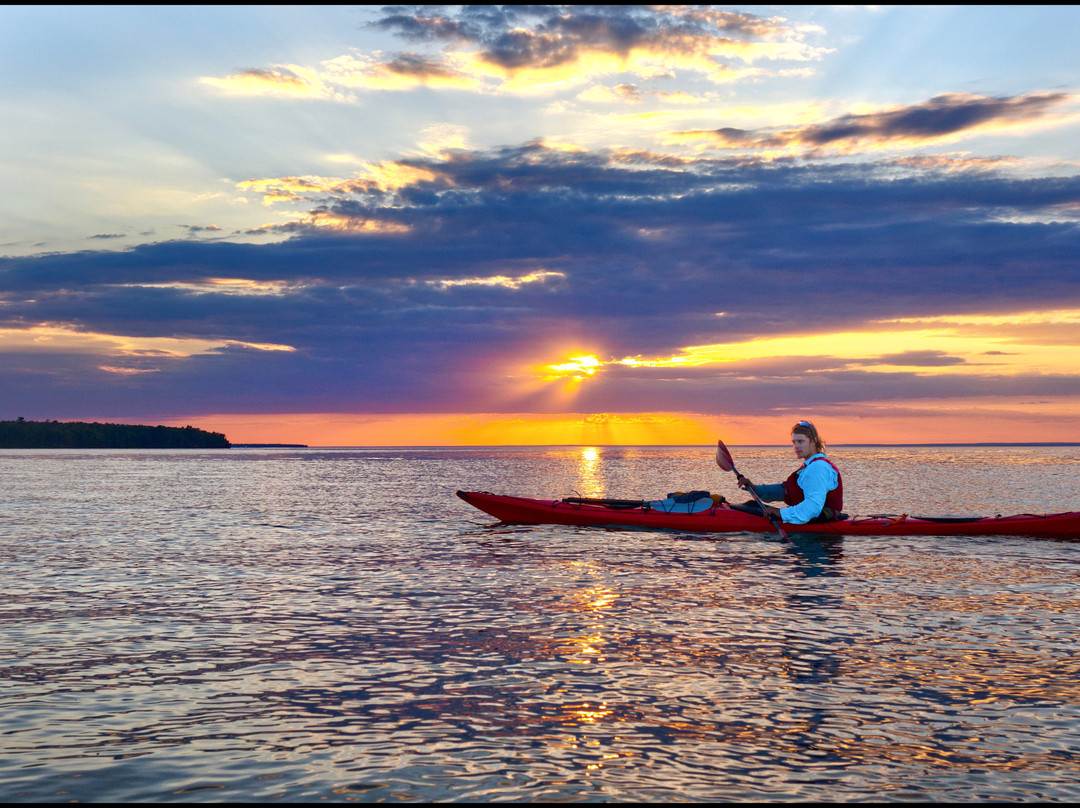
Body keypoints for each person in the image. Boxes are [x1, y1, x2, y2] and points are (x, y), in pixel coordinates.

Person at [735, 420, 844, 524]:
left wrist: (780, 513)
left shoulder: (818, 468)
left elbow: (813, 506)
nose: (796, 446)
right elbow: (788, 491)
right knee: (751, 505)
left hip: (820, 528)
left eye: (801, 441)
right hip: (811, 521)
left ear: (814, 441)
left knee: (753, 508)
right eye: (794, 442)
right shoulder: (810, 466)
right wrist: (755, 489)